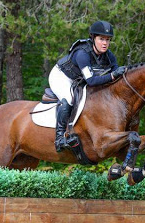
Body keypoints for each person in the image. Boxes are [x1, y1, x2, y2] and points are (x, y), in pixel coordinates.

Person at [49, 20, 126, 152]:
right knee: (69, 99)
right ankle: (60, 138)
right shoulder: (82, 53)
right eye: (101, 39)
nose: (105, 43)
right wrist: (113, 75)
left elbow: (116, 76)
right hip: (62, 77)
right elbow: (91, 81)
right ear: (93, 38)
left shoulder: (109, 56)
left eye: (108, 40)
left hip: (80, 80)